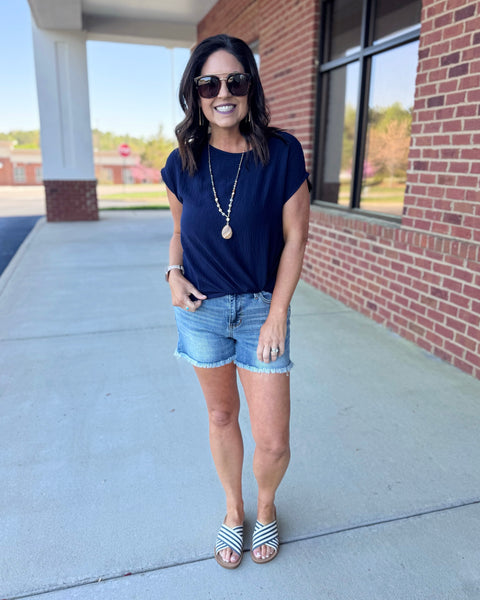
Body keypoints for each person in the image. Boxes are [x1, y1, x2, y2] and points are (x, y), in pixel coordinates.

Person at [161, 33, 310, 568]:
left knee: (273, 441)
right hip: (201, 313)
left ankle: (266, 505)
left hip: (260, 311)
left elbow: (296, 238)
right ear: (195, 92)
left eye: (234, 81)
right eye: (209, 83)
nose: (222, 93)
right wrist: (173, 274)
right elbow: (179, 233)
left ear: (250, 86)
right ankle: (234, 509)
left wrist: (277, 314)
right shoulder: (182, 161)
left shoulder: (282, 152)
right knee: (222, 415)